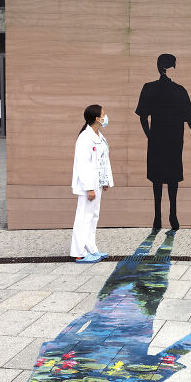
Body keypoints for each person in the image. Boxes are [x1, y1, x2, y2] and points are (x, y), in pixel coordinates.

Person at [136, 53, 191, 230]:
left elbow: (143, 118)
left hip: (161, 142)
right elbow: (189, 119)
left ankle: (160, 217)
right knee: (169, 180)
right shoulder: (177, 90)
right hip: (173, 141)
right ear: (169, 68)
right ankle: (169, 216)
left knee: (159, 180)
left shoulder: (152, 88)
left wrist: (150, 136)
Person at [70, 104, 113, 263]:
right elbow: (83, 165)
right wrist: (89, 188)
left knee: (93, 216)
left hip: (97, 184)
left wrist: (106, 180)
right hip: (88, 186)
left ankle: (91, 248)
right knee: (83, 217)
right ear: (97, 118)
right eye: (103, 114)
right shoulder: (84, 138)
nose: (105, 116)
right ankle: (79, 252)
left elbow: (103, 160)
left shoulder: (99, 136)